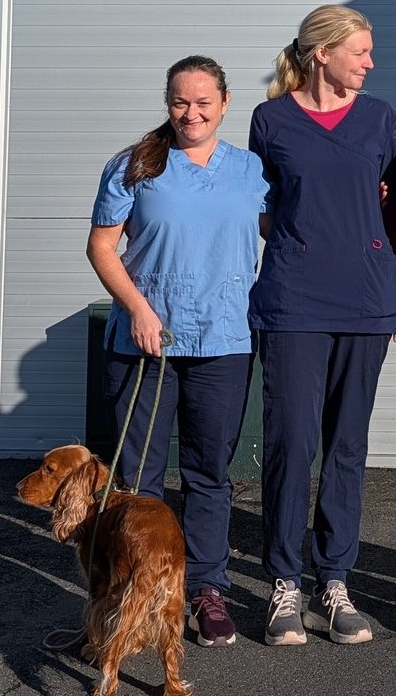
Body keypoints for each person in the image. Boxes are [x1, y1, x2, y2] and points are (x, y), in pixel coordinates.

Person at [86, 55, 268, 648]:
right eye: (180, 102)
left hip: (223, 339)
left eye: (203, 103)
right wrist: (139, 309)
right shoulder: (135, 164)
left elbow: (294, 229)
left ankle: (206, 590)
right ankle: (135, 589)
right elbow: (101, 247)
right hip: (146, 343)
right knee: (139, 478)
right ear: (167, 103)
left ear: (225, 103)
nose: (191, 114)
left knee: (209, 473)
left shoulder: (251, 170)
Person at [248, 4, 396, 645]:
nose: (370, 62)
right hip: (294, 300)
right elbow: (261, 208)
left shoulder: (379, 118)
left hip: (367, 299)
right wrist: (302, 237)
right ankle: (284, 583)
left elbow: (395, 209)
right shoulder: (271, 120)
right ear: (323, 53)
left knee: (347, 444)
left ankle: (335, 582)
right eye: (360, 51)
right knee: (291, 442)